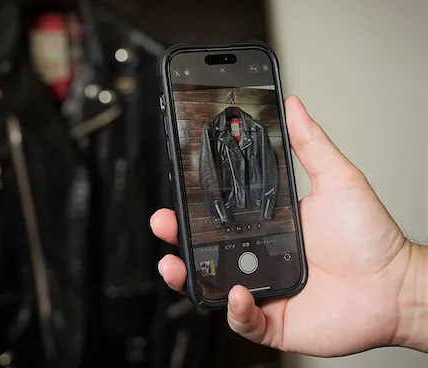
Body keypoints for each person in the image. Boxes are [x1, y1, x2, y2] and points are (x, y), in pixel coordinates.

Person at [150, 96, 427, 356]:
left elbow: (269, 170)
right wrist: (219, 214)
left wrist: (266, 209)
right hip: (232, 210)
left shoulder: (257, 130)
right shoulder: (212, 131)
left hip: (255, 210)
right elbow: (208, 174)